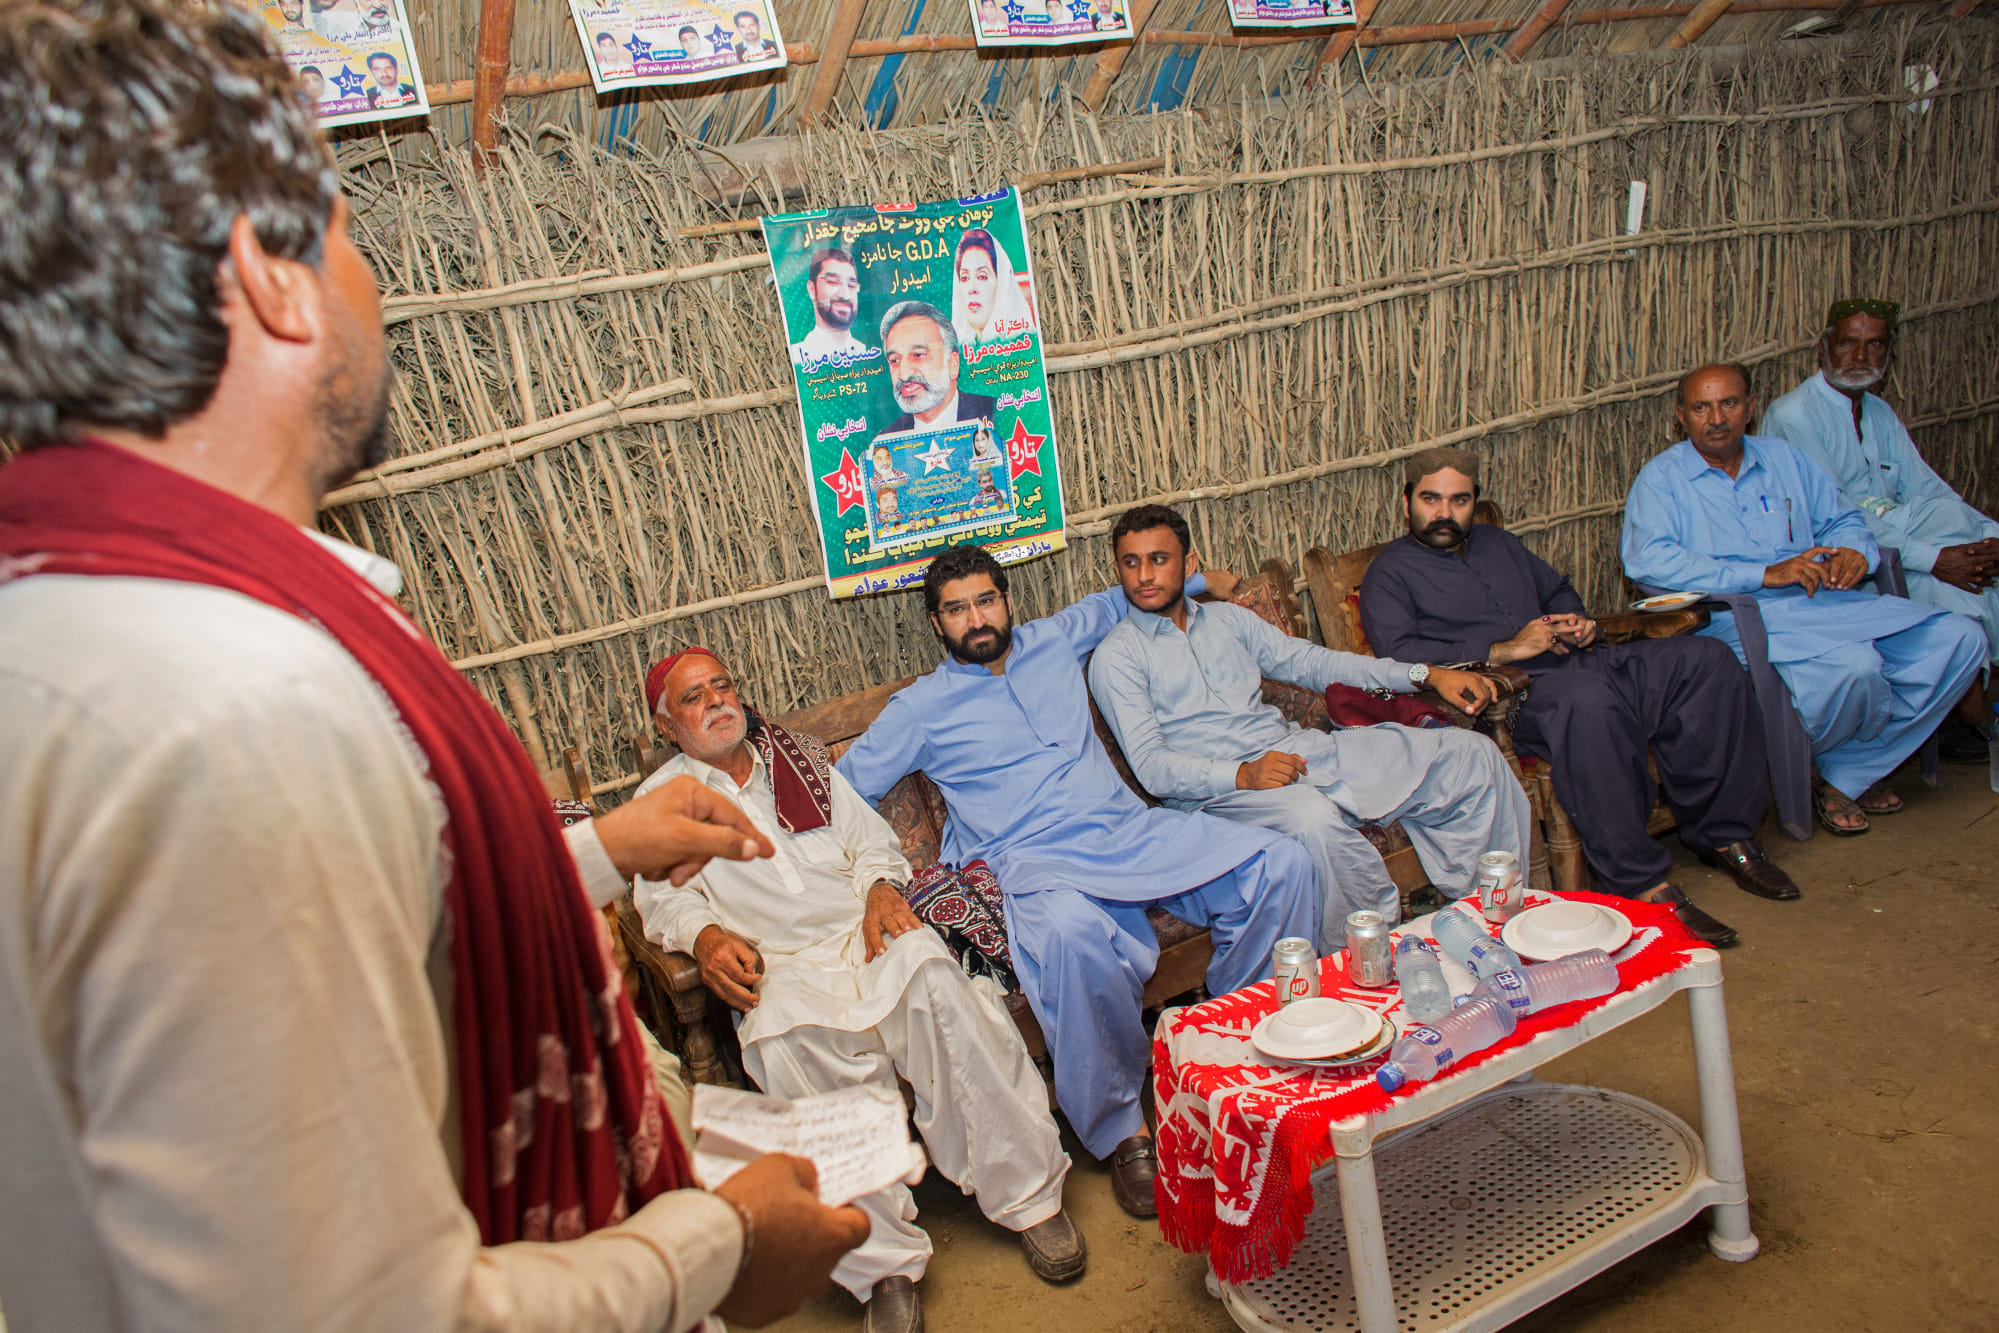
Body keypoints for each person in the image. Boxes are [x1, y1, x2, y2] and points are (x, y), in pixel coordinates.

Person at [0, 4, 869, 1327]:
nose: (373, 284)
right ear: (272, 278)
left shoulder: (75, 614)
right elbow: (355, 1308)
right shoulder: (237, 705)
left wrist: (593, 850)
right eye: (345, 223)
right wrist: (709, 1246)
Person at [836, 544, 1319, 1220]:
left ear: (1007, 601)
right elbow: (839, 793)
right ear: (934, 622)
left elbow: (1126, 594)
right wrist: (868, 879)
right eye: (955, 609)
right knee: (1067, 937)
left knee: (1281, 864)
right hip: (1032, 861)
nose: (975, 618)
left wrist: (1211, 579)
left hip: (1127, 829)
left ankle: (1229, 1054)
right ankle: (1123, 1131)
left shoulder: (1052, 640)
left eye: (985, 600)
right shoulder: (920, 708)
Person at [634, 649, 1085, 1333]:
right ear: (668, 725)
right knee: (786, 1042)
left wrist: (879, 888)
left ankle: (1029, 1197)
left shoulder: (798, 760)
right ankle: (882, 1266)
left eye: (723, 684)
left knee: (936, 980)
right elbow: (662, 905)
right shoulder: (659, 803)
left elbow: (875, 843)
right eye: (695, 697)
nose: (718, 701)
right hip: (779, 962)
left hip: (860, 930)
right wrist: (701, 937)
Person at [1360, 450, 1801, 945]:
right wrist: (1506, 648)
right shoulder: (1389, 573)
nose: (1444, 513)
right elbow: (1401, 659)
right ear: (1406, 502)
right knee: (1589, 703)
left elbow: (1559, 592)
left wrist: (1578, 622)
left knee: (1708, 661)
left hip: (1582, 663)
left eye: (1459, 500)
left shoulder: (1497, 542)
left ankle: (1727, 834)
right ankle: (1640, 882)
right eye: (1431, 499)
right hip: (1511, 699)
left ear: (1474, 503)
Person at [1088, 504, 1531, 942]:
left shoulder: (1229, 621)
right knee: (1310, 820)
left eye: (1157, 559)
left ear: (1189, 564)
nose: (1144, 575)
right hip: (1219, 798)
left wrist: (1426, 674)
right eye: (1131, 562)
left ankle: (1496, 925)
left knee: (1469, 756)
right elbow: (1153, 767)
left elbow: (1315, 663)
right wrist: (1242, 774)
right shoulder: (1117, 657)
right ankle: (1366, 967)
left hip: (1299, 756)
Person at [1623, 364, 1986, 836]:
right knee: (1857, 667)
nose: (1716, 418)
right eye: (1701, 407)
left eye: (1729, 403)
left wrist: (1855, 551)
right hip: (1739, 617)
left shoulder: (1786, 460)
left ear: (1751, 408)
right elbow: (1648, 561)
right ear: (1681, 417)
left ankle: (1848, 768)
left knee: (1961, 639)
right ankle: (1843, 775)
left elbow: (1844, 519)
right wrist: (1762, 574)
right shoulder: (1661, 480)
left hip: (1826, 603)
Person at [1761, 298, 1999, 760]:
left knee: (1966, 551)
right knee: (1949, 583)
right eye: (1848, 343)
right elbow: (1837, 519)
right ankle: (1963, 712)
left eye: (1874, 345)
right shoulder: (1796, 416)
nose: (1860, 356)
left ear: (1889, 356)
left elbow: (1928, 488)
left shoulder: (1878, 412)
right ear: (1823, 348)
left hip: (1899, 544)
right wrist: (1936, 559)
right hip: (1840, 565)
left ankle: (1956, 707)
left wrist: (1990, 540)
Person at [879, 301, 997, 434]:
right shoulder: (885, 441)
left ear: (952, 364)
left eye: (918, 355)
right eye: (895, 360)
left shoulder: (998, 415)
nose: (904, 374)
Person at [950, 229, 1035, 349]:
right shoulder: (953, 351)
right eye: (964, 278)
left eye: (982, 277)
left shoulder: (1023, 341)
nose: (972, 289)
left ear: (1001, 284)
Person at [791, 248, 873, 369]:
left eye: (851, 285)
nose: (845, 295)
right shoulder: (797, 358)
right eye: (833, 282)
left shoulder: (870, 354)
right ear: (812, 289)